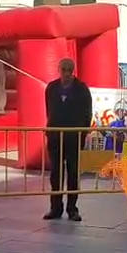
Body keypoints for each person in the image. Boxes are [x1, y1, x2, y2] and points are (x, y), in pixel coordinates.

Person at [44, 58, 92, 221]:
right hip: (55, 137)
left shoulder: (82, 89)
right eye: (63, 69)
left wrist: (82, 134)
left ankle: (72, 209)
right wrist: (50, 131)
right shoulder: (51, 88)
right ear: (59, 69)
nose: (66, 73)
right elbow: (49, 111)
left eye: (69, 70)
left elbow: (87, 114)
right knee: (55, 173)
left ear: (73, 70)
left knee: (73, 173)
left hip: (74, 137)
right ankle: (55, 208)